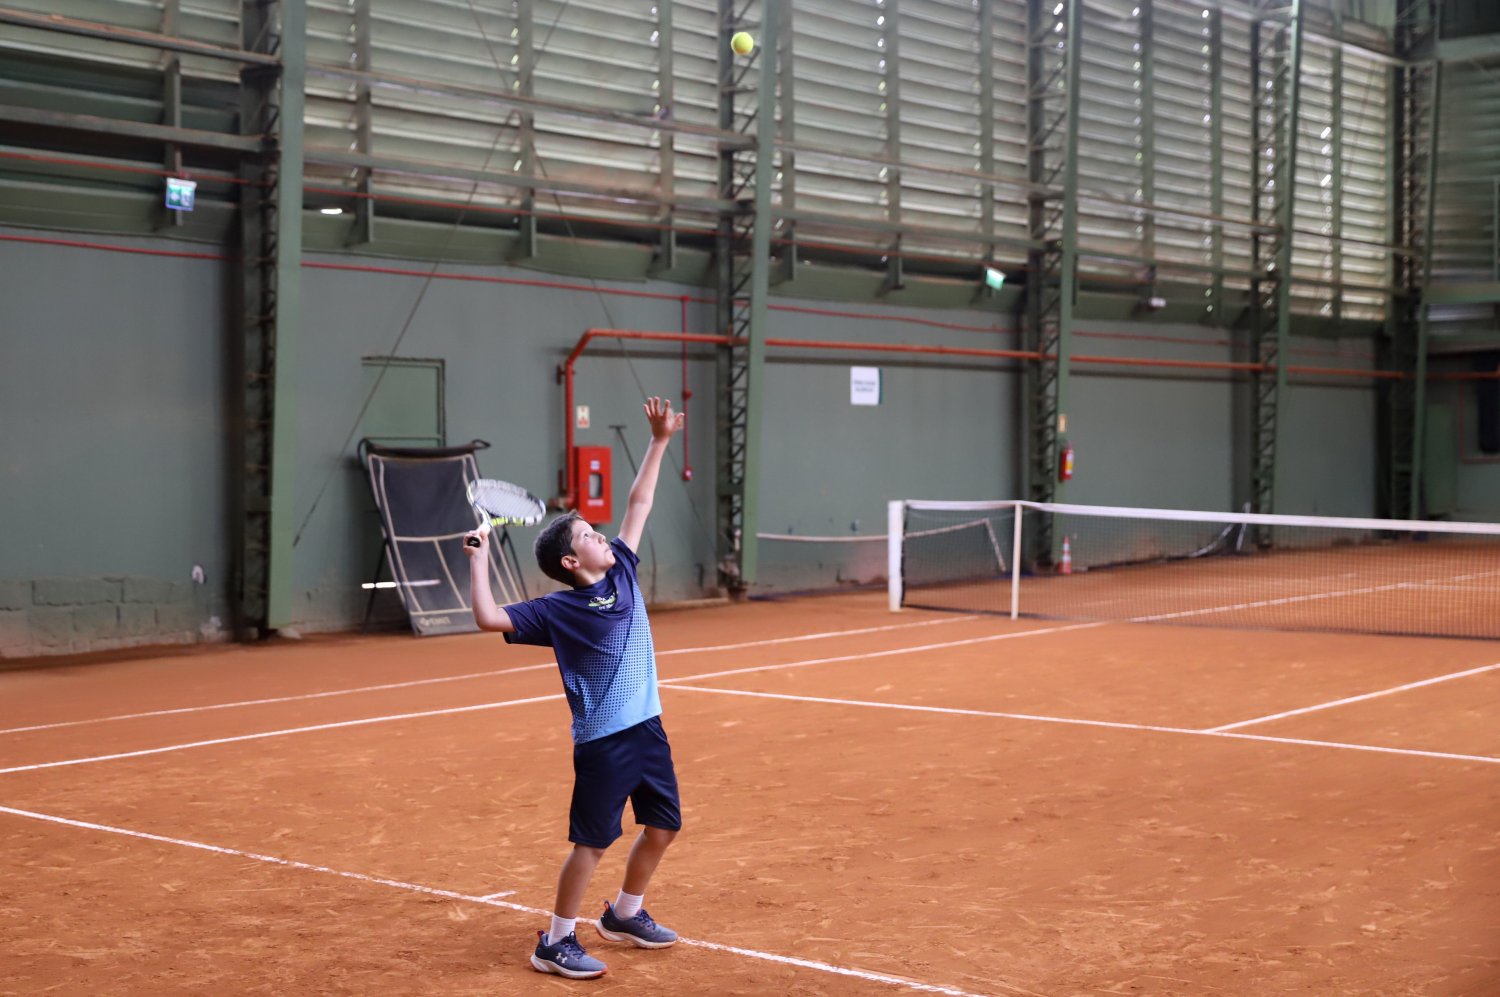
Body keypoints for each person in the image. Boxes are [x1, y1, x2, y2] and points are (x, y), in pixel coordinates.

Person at [462, 396, 686, 980]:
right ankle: (556, 941)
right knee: (593, 843)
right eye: (589, 534)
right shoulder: (557, 611)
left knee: (664, 826)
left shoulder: (624, 571)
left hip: (648, 729)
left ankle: (624, 914)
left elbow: (639, 502)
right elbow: (488, 618)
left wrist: (659, 441)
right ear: (569, 560)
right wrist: (479, 561)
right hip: (605, 743)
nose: (603, 535)